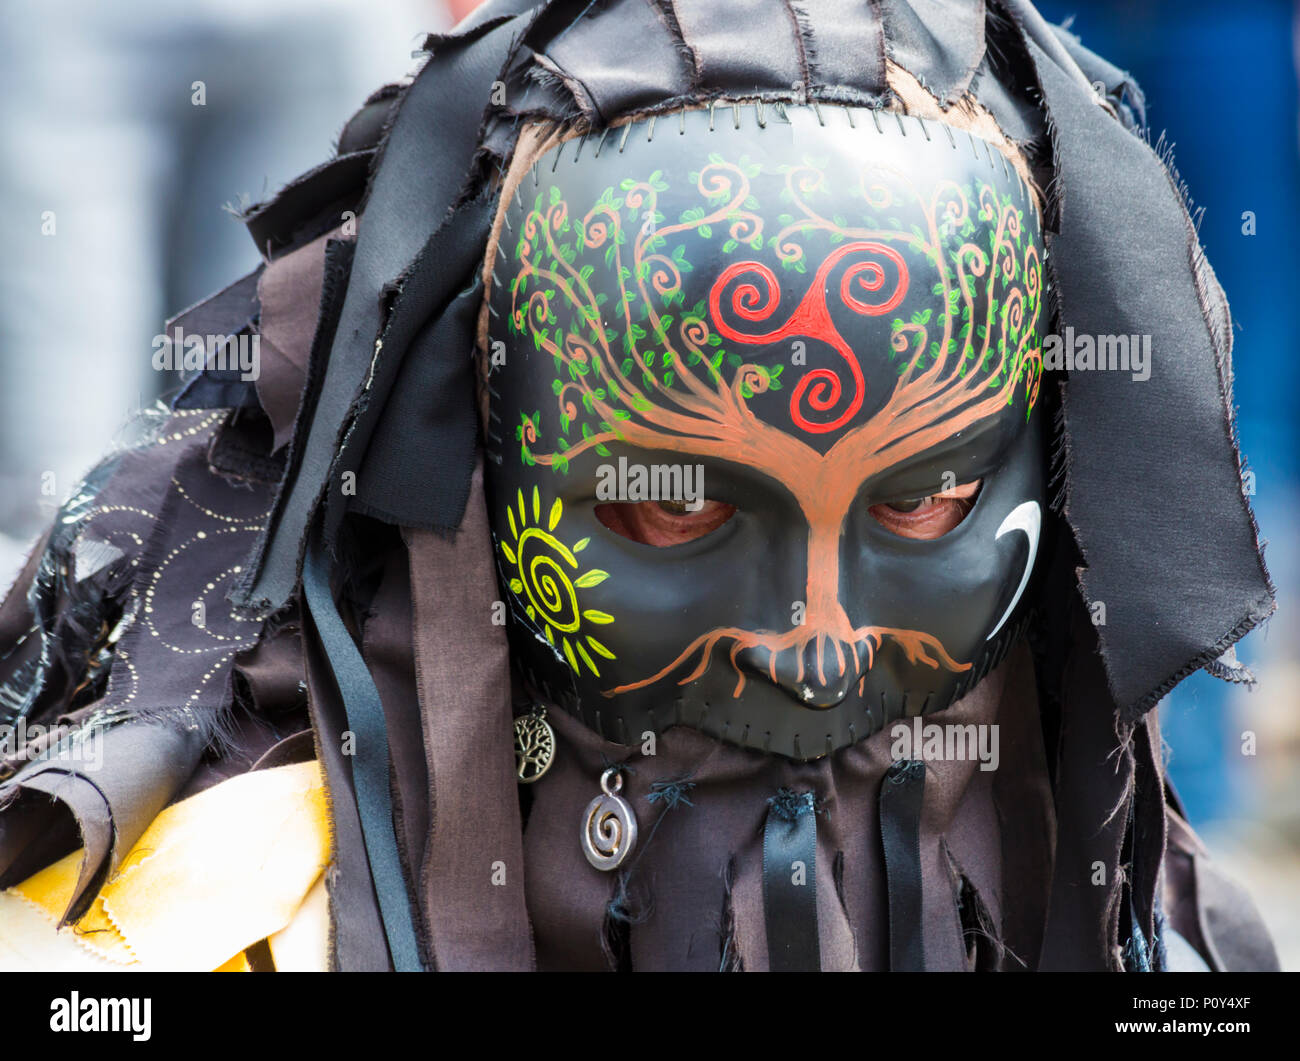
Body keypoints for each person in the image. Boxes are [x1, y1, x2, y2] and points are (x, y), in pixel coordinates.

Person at [0, 0, 1279, 972]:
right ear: (474, 448)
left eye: (924, 502)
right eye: (677, 508)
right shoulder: (198, 923)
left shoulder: (1147, 930)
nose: (817, 649)